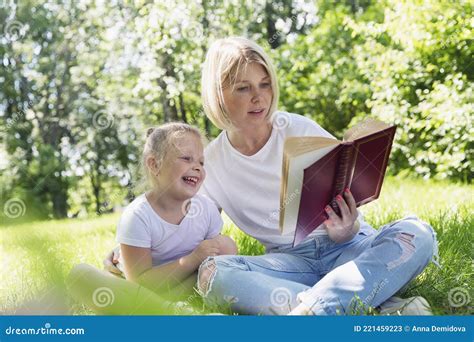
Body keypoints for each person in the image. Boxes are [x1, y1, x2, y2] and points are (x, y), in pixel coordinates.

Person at [106, 37, 439, 316]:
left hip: (349, 249)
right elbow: (184, 222)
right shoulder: (213, 162)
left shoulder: (297, 129)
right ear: (219, 94)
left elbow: (343, 193)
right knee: (214, 273)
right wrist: (128, 250)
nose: (259, 97)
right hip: (289, 264)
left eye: (265, 85)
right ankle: (376, 306)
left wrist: (347, 227)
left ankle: (312, 313)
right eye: (244, 88)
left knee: (417, 234)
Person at [69, 123, 237, 314]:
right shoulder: (137, 215)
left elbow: (217, 262)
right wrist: (192, 259)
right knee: (79, 275)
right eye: (186, 159)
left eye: (201, 162)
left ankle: (168, 309)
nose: (197, 168)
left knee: (226, 245)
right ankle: (171, 311)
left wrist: (202, 259)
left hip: (183, 287)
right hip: (140, 288)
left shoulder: (206, 208)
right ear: (154, 164)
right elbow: (139, 283)